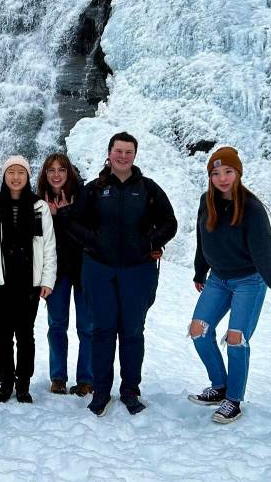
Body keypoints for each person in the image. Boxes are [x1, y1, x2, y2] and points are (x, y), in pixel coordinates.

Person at [67, 132, 177, 417]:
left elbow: (169, 222)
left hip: (138, 270)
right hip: (99, 268)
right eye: (119, 151)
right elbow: (74, 222)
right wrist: (94, 242)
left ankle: (130, 390)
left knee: (132, 332)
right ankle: (101, 391)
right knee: (102, 330)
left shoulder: (148, 189)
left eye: (129, 152)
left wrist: (150, 243)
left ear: (135, 155)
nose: (123, 156)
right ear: (109, 153)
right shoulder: (94, 189)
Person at [188, 146, 271, 424]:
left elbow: (265, 252)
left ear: (238, 173)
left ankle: (233, 400)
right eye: (216, 173)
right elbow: (203, 239)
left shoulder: (252, 209)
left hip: (249, 280)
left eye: (228, 172)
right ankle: (220, 386)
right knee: (198, 331)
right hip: (218, 279)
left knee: (236, 338)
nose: (222, 178)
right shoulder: (206, 202)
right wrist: (200, 271)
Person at [0, 155, 56, 404]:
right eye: (11, 172)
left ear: (28, 176)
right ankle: (5, 382)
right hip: (1, 280)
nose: (16, 177)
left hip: (29, 279)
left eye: (21, 172)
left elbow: (48, 245)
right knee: (3, 332)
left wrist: (47, 279)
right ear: (4, 176)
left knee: (25, 333)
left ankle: (23, 384)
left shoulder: (39, 207)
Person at [37, 152, 93, 397]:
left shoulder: (83, 198)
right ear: (45, 174)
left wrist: (63, 214)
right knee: (57, 324)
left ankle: (86, 379)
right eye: (51, 170)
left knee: (87, 327)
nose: (56, 174)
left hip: (84, 270)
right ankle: (58, 377)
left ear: (69, 172)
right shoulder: (39, 201)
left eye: (61, 169)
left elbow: (89, 234)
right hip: (55, 272)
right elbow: (36, 239)